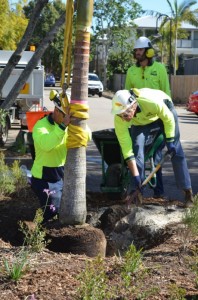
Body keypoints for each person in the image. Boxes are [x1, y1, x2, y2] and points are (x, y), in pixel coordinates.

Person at [111, 88, 193, 208]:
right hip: (141, 122)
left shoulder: (150, 102)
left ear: (133, 105)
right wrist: (135, 175)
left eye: (125, 114)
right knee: (137, 150)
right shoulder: (120, 119)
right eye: (120, 114)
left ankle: (187, 192)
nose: (123, 118)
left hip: (164, 113)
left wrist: (170, 141)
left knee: (176, 152)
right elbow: (127, 151)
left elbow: (168, 118)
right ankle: (136, 194)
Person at [125, 36, 171, 198]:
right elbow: (126, 97)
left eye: (140, 49)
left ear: (149, 51)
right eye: (136, 50)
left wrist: (168, 121)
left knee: (156, 157)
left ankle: (159, 194)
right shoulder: (131, 71)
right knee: (138, 155)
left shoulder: (159, 69)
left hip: (158, 120)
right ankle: (137, 192)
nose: (137, 52)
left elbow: (166, 94)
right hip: (138, 122)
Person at [30, 90, 70, 222]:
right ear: (57, 111)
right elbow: (47, 145)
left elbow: (87, 135)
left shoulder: (67, 125)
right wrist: (63, 126)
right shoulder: (40, 126)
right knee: (51, 210)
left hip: (59, 176)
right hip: (43, 178)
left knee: (58, 209)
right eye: (65, 115)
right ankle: (40, 233)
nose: (67, 118)